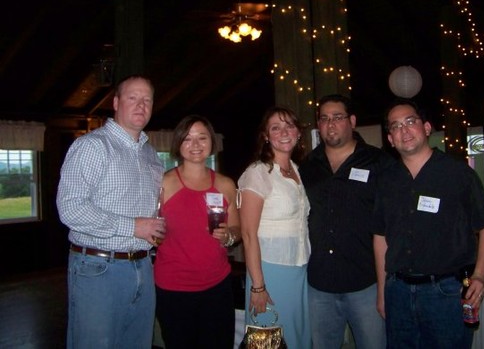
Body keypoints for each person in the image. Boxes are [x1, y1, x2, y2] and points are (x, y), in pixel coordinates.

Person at [372, 99, 484, 349]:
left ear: (427, 127)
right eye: (396, 126)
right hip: (397, 292)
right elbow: (380, 236)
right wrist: (383, 292)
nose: (404, 130)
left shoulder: (457, 173)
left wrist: (480, 275)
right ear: (390, 139)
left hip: (446, 293)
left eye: (410, 122)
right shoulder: (386, 180)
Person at [56, 75, 166, 349]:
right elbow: (70, 208)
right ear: (116, 103)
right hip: (98, 268)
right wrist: (133, 227)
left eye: (147, 99)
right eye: (133, 98)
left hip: (144, 265)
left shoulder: (151, 154)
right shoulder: (92, 146)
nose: (141, 105)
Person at [298, 94, 393, 349]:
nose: (330, 124)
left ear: (352, 121)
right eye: (324, 118)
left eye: (337, 117)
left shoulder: (378, 162)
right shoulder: (307, 166)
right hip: (319, 286)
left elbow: (392, 222)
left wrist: (386, 286)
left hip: (366, 284)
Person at [153, 114, 240, 348]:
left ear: (212, 142)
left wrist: (229, 236)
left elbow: (237, 229)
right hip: (174, 288)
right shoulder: (163, 183)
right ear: (178, 143)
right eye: (188, 138)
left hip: (217, 286)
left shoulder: (225, 184)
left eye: (202, 137)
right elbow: (150, 227)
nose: (195, 145)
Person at [237, 106, 311, 349]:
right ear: (266, 136)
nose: (284, 132)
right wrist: (258, 286)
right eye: (276, 128)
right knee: (268, 340)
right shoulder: (257, 173)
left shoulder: (297, 171)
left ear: (298, 132)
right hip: (269, 271)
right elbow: (248, 234)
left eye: (289, 125)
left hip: (298, 269)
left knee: (296, 337)